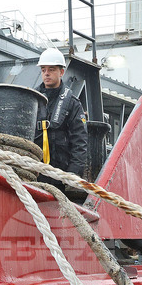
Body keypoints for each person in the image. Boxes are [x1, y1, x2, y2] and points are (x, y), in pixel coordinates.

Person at [34, 47, 88, 187]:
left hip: (59, 174)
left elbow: (79, 140)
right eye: (43, 70)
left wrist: (73, 173)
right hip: (34, 171)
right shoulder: (32, 99)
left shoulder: (72, 104)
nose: (46, 74)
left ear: (61, 72)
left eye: (51, 69)